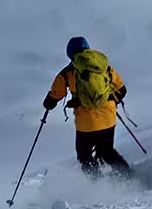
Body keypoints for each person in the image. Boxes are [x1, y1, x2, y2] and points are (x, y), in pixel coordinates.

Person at [44, 36, 132, 177]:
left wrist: (48, 103)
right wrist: (108, 101)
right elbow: (122, 90)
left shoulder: (68, 72)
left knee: (84, 156)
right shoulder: (103, 66)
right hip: (108, 118)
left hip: (86, 122)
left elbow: (55, 95)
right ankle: (128, 176)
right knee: (106, 152)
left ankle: (96, 185)